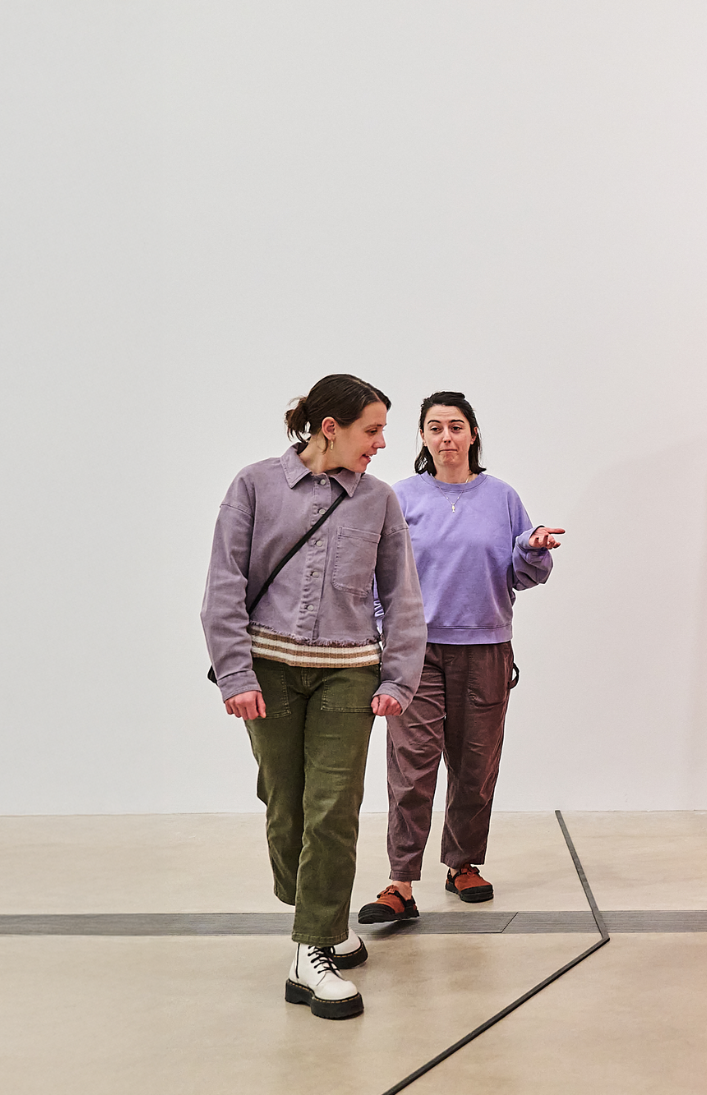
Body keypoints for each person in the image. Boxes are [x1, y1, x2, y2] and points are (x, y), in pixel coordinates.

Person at [202, 374, 426, 1020]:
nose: (382, 444)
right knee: (284, 802)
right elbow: (223, 584)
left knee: (334, 806)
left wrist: (398, 677)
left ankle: (310, 953)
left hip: (348, 672)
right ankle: (317, 909)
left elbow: (402, 595)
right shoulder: (253, 486)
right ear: (331, 428)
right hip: (268, 669)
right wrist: (235, 673)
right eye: (372, 430)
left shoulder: (379, 501)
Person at [357, 391, 559, 924]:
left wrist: (532, 548)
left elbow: (522, 574)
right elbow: (379, 572)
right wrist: (385, 633)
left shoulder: (503, 497)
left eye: (456, 427)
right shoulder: (398, 497)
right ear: (423, 438)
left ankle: (463, 863)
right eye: (435, 428)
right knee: (411, 768)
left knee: (475, 765)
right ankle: (400, 881)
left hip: (486, 649)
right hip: (415, 656)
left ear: (472, 435)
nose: (447, 436)